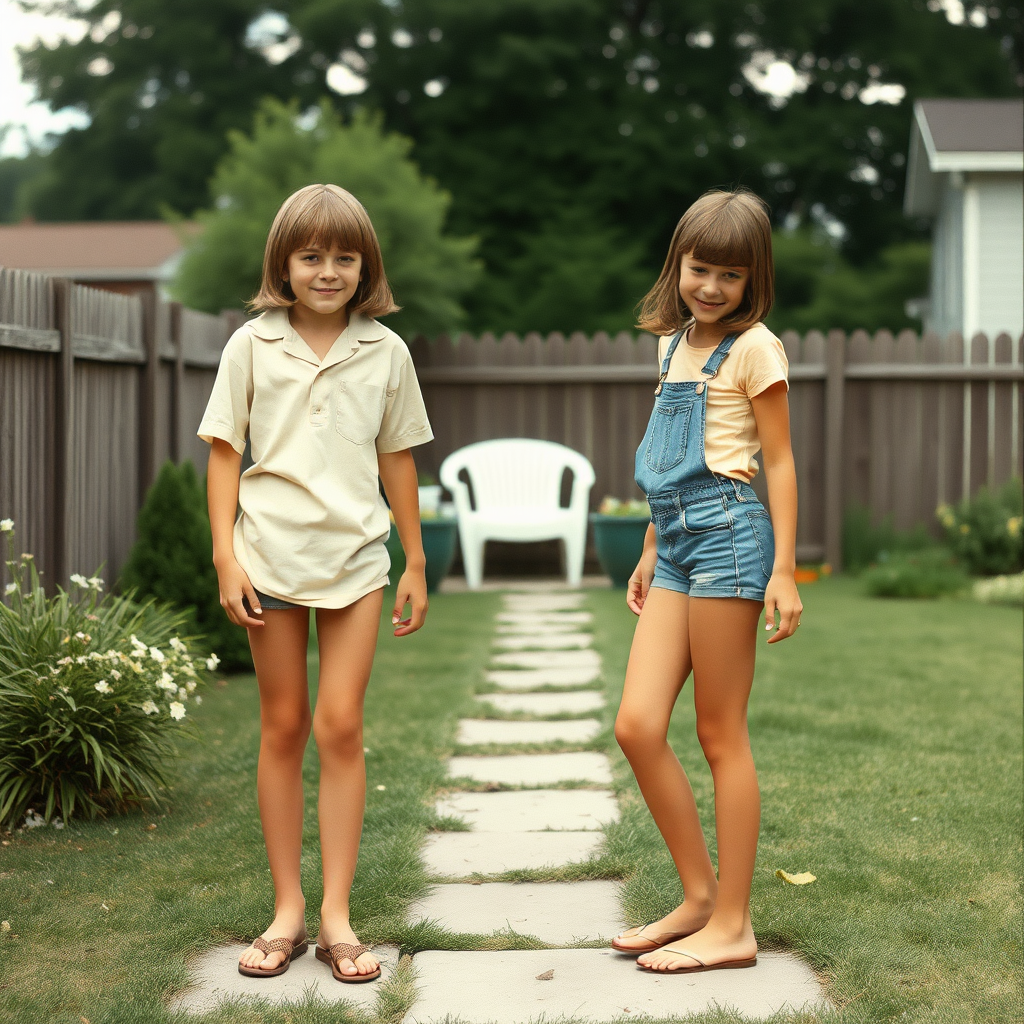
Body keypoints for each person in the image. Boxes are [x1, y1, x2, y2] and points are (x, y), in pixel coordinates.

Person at [198, 183, 433, 983]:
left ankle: (337, 915)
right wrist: (227, 557)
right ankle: (287, 910)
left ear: (365, 265)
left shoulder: (386, 351)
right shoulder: (250, 346)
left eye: (344, 256)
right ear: (284, 264)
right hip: (267, 558)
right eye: (311, 256)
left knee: (338, 725)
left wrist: (416, 560)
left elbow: (397, 456)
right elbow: (225, 450)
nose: (328, 270)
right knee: (283, 725)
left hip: (359, 563)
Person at [611, 188, 802, 974]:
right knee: (636, 725)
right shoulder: (670, 344)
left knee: (719, 735)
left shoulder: (757, 349)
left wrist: (785, 570)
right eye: (700, 269)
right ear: (678, 265)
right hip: (680, 544)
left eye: (730, 274)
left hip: (730, 538)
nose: (713, 288)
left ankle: (733, 924)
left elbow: (779, 461)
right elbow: (667, 458)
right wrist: (653, 543)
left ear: (753, 276)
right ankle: (697, 896)